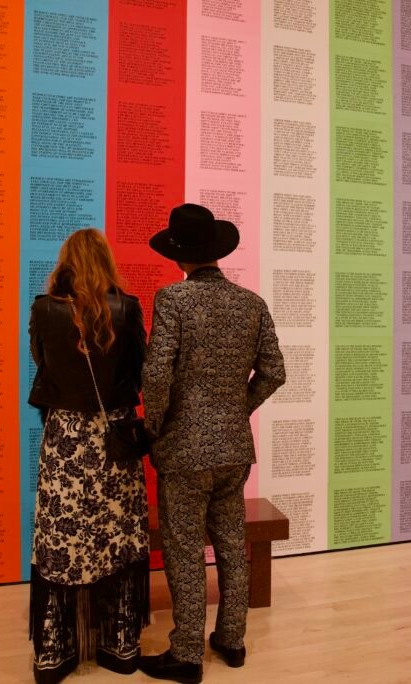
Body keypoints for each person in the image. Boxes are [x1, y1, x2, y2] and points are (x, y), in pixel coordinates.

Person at [138, 204, 286, 683]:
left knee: (183, 550)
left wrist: (154, 425)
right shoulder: (251, 303)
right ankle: (232, 639)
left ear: (180, 256)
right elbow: (275, 372)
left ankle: (185, 654)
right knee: (229, 543)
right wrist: (237, 409)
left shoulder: (173, 299)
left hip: (183, 449)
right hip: (233, 449)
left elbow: (157, 372)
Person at [27, 228, 151, 684]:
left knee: (62, 540)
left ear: (66, 263)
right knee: (115, 535)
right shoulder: (128, 307)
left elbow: (41, 362)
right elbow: (139, 372)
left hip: (65, 438)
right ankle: (120, 644)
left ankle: (55, 650)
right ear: (106, 262)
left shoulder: (43, 309)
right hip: (113, 435)